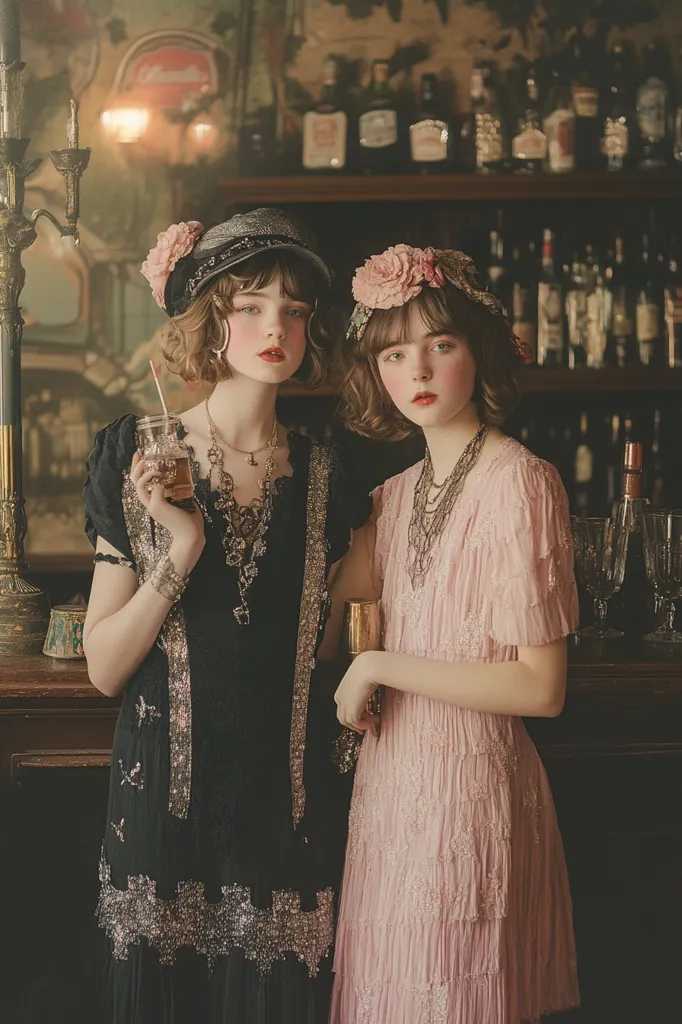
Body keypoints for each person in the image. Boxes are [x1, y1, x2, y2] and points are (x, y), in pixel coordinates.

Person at [82, 208, 370, 1024]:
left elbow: (330, 643)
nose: (275, 325)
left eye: (294, 310)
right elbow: (104, 668)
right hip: (159, 809)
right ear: (213, 321)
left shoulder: (329, 473)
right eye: (251, 305)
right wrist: (181, 545)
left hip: (283, 804)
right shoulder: (137, 455)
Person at [325, 243, 580, 1023]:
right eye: (396, 354)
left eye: (442, 345)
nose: (420, 372)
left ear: (478, 351)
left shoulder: (520, 481)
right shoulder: (388, 498)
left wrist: (380, 667)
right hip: (390, 793)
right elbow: (334, 631)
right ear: (376, 373)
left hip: (473, 796)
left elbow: (540, 688)